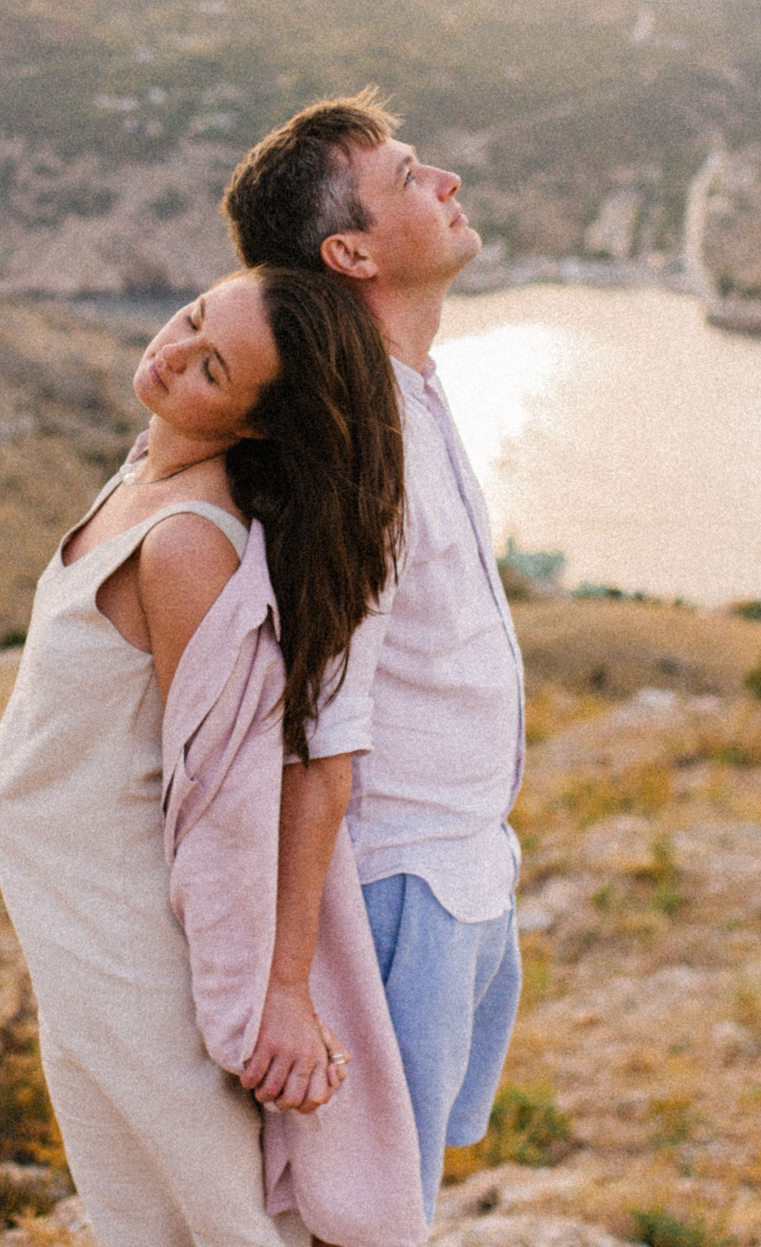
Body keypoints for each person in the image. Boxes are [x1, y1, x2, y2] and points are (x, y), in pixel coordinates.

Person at [0, 265, 418, 1247]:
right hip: (69, 928)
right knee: (130, 1206)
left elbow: (225, 799)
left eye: (210, 368)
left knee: (215, 1218)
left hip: (131, 945)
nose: (170, 354)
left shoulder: (186, 547)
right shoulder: (141, 467)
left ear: (256, 424)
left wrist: (254, 1007)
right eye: (188, 321)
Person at [220, 91, 527, 1222]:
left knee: (396, 1201)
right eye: (407, 177)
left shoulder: (410, 396)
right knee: (365, 1218)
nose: (443, 180)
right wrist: (289, 986)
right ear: (351, 251)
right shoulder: (362, 440)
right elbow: (323, 721)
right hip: (401, 892)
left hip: (461, 871)